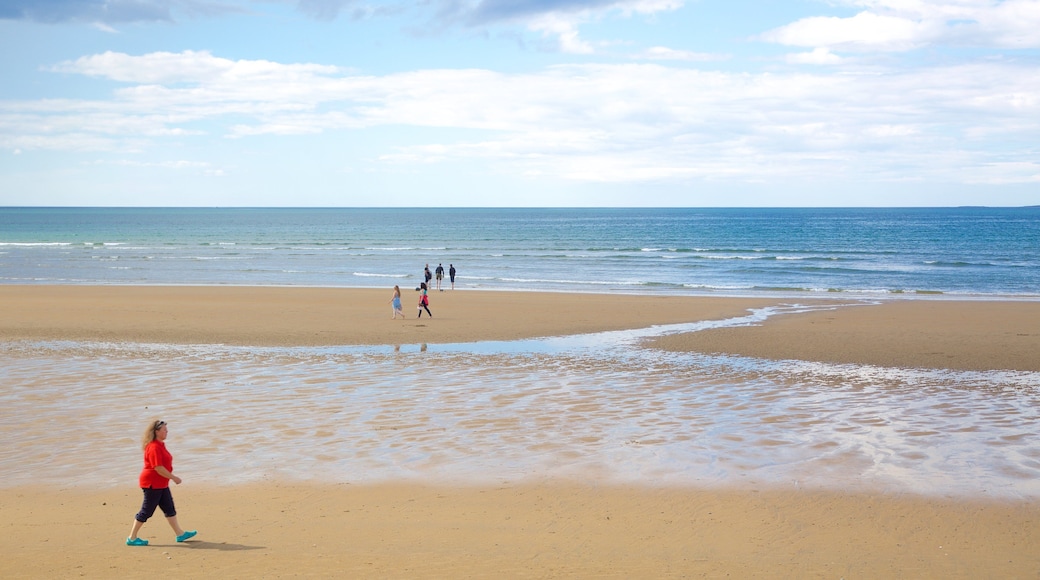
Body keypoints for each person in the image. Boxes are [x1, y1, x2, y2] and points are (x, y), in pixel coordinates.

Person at [126, 419, 197, 546]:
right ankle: (132, 537)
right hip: (152, 484)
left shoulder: (160, 445)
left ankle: (180, 534)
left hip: (161, 483)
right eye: (164, 430)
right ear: (156, 432)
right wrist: (173, 477)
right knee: (147, 511)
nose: (167, 432)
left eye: (166, 430)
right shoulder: (153, 447)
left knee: (169, 508)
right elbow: (158, 467)